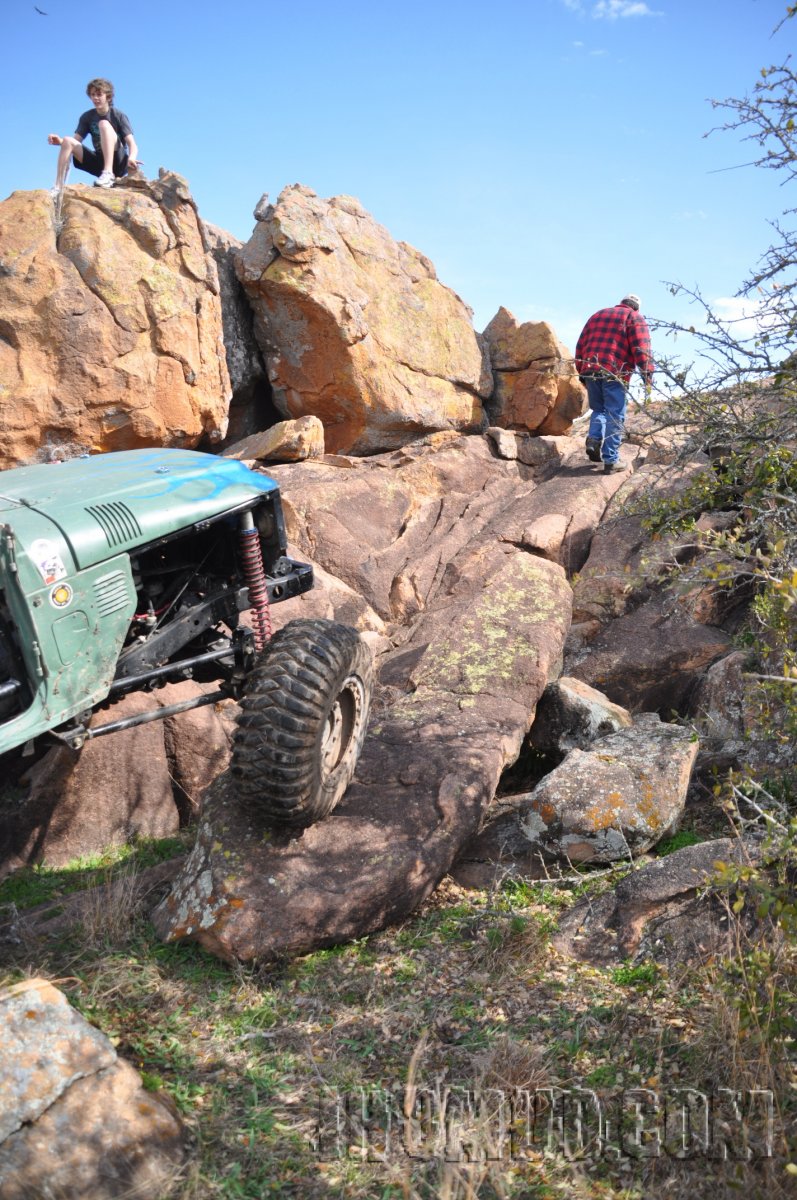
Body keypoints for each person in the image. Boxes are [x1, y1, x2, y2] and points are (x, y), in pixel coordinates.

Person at [574, 294, 654, 474]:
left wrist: (582, 373)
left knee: (599, 409)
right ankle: (611, 459)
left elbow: (580, 345)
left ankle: (594, 441)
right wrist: (647, 375)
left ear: (622, 303)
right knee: (615, 414)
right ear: (636, 307)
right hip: (615, 372)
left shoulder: (597, 315)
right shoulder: (634, 317)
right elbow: (641, 348)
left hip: (590, 369)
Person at [48, 78, 139, 193]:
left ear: (108, 97)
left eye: (99, 94)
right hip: (98, 163)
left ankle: (108, 174)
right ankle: (58, 187)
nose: (95, 98)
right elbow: (75, 141)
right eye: (93, 95)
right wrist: (60, 141)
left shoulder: (118, 115)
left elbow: (132, 144)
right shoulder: (87, 117)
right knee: (67, 140)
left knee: (104, 124)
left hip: (119, 162)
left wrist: (132, 157)